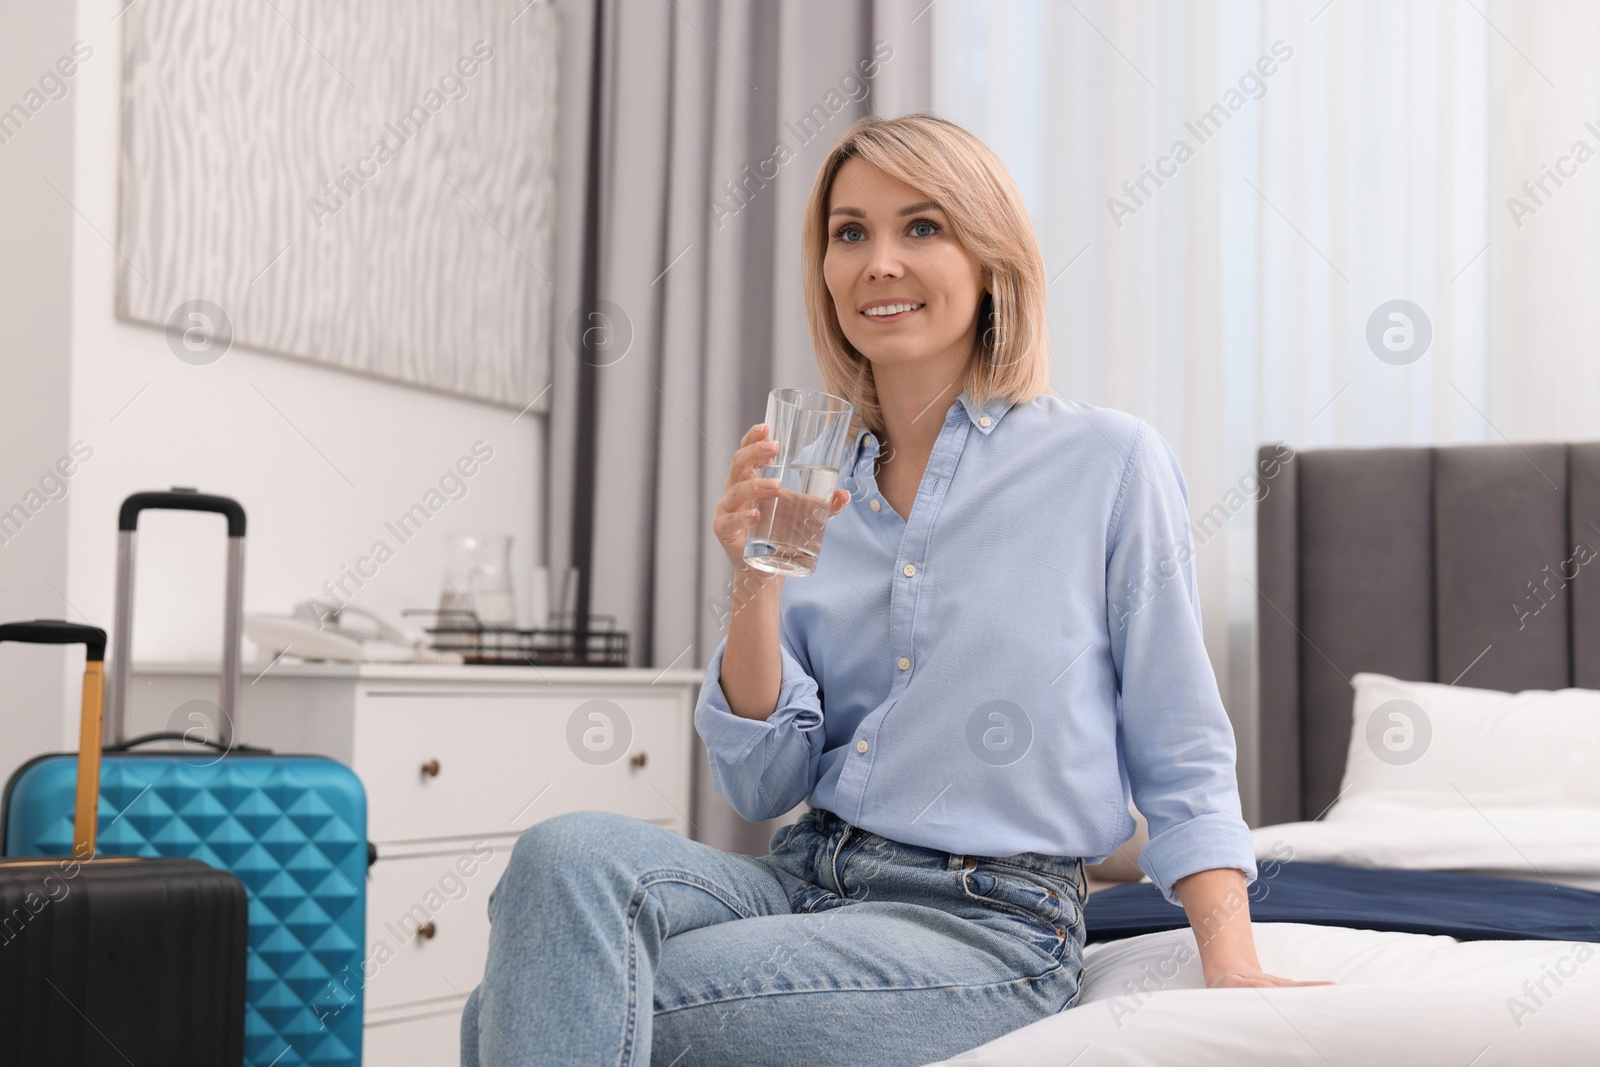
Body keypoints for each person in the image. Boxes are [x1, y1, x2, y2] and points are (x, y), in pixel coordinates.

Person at [460, 112, 1332, 1067]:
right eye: (850, 232)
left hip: (988, 923)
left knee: (520, 1006)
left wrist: (1231, 958)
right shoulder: (813, 483)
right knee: (562, 857)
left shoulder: (1108, 462)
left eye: (922, 227)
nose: (879, 261)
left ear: (991, 256)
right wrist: (754, 578)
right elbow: (763, 782)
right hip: (804, 872)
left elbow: (1178, 734)